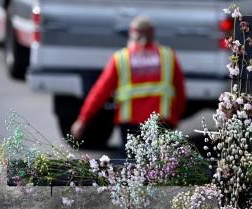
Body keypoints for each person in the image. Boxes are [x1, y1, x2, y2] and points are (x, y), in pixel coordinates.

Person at [69, 16, 185, 152]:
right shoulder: (168, 56)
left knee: (131, 168)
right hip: (161, 122)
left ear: (132, 33)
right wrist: (175, 118)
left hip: (130, 124)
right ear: (153, 33)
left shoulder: (121, 58)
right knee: (159, 168)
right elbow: (180, 92)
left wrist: (83, 119)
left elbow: (100, 92)